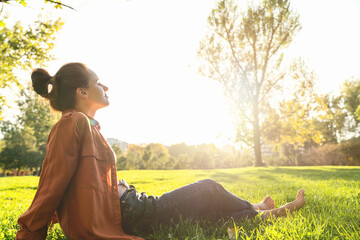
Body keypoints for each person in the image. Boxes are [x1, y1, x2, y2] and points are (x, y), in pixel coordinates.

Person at [16, 63, 306, 239]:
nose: (105, 85)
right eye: (97, 82)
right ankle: (255, 208)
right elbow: (51, 185)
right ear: (81, 92)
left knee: (205, 213)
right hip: (132, 211)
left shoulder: (86, 125)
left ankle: (266, 214)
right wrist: (30, 233)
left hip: (132, 204)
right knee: (209, 188)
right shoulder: (72, 123)